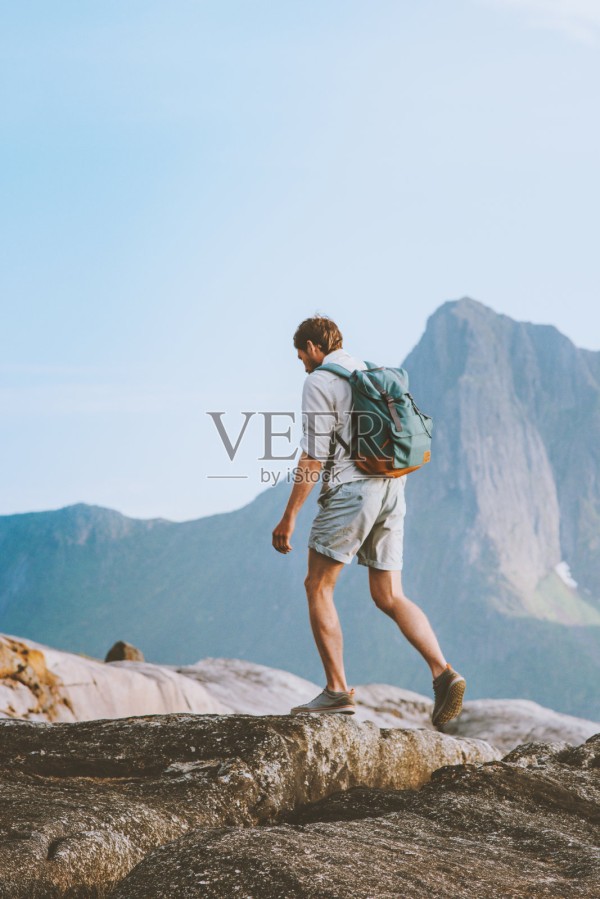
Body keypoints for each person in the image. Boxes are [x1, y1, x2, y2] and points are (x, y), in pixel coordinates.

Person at [271, 315, 465, 727]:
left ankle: (337, 691)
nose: (301, 363)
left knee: (318, 585)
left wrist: (289, 517)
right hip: (392, 488)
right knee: (389, 594)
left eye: (300, 354)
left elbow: (313, 454)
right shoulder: (367, 370)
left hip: (350, 491)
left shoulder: (320, 380)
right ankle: (443, 671)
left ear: (312, 347)